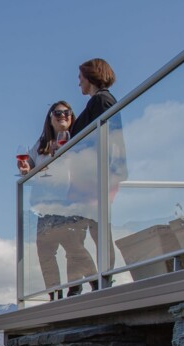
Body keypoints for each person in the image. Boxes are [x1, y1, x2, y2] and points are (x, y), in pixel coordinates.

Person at [18, 101, 97, 300]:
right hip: (45, 206)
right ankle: (55, 294)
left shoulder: (80, 138)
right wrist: (27, 171)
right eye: (57, 113)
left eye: (66, 112)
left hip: (70, 202)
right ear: (50, 117)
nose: (62, 115)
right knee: (45, 251)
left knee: (73, 245)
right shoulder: (41, 145)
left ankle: (95, 282)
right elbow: (33, 170)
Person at [69, 58, 127, 289]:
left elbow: (114, 141)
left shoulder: (102, 101)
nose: (78, 83)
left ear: (91, 77)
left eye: (80, 78)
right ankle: (97, 281)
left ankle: (101, 281)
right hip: (92, 178)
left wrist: (112, 176)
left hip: (95, 179)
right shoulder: (97, 102)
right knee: (87, 231)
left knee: (92, 231)